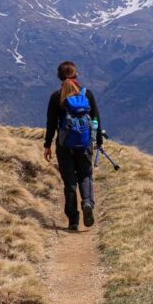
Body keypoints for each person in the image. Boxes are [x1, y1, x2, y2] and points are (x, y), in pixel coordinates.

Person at [44, 61, 103, 231]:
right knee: (85, 175)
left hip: (64, 145)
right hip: (85, 144)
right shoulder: (87, 95)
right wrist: (98, 140)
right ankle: (87, 203)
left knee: (69, 182)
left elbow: (51, 123)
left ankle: (73, 220)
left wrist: (47, 145)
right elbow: (95, 119)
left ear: (59, 77)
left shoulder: (56, 96)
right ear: (76, 75)